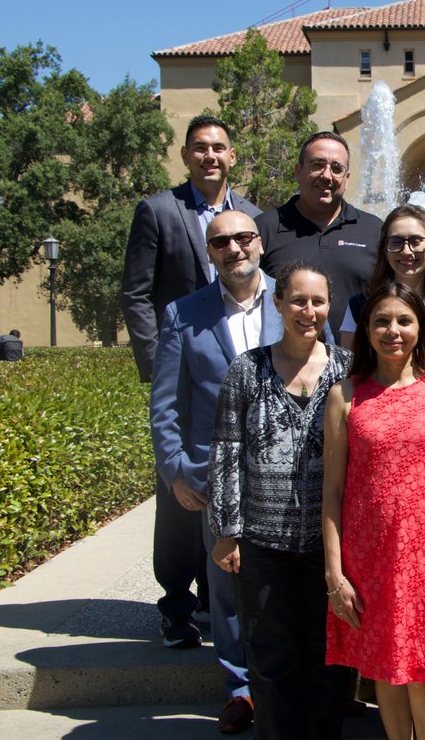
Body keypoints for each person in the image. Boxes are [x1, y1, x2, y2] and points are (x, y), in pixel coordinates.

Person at [123, 115, 260, 654]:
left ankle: (216, 598)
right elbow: (136, 294)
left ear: (232, 156)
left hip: (244, 370)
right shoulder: (159, 211)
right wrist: (160, 367)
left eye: (219, 148)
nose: (210, 156)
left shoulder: (250, 214)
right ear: (185, 155)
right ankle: (176, 605)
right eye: (200, 148)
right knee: (181, 497)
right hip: (185, 366)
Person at [322, 282, 425, 740]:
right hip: (369, 559)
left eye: (404, 320)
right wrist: (335, 575)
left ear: (421, 327)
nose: (394, 331)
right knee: (383, 672)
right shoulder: (345, 395)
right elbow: (332, 492)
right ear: (367, 331)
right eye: (381, 321)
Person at [207, 260, 353, 740]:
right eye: (297, 300)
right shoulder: (248, 370)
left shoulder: (346, 371)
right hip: (263, 544)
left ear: (329, 307)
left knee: (327, 653)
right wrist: (228, 531)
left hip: (329, 544)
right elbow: (227, 450)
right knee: (270, 654)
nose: (307, 311)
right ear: (278, 303)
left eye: (318, 301)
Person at [150, 211, 280, 733]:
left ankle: (284, 683)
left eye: (243, 237)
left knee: (286, 585)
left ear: (260, 242)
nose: (234, 248)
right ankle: (241, 690)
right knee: (225, 591)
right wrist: (176, 470)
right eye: (220, 241)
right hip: (213, 477)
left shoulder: (293, 297)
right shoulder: (185, 313)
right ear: (209, 252)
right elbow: (165, 404)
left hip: (287, 476)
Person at [257, 131, 382, 340]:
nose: (326, 175)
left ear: (347, 179)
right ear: (298, 171)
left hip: (359, 366)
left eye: (336, 168)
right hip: (284, 366)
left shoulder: (374, 230)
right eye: (317, 165)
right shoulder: (265, 228)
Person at [338, 205, 425, 355]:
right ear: (385, 250)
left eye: (416, 241)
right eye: (396, 241)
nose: (406, 251)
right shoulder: (359, 306)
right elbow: (351, 368)